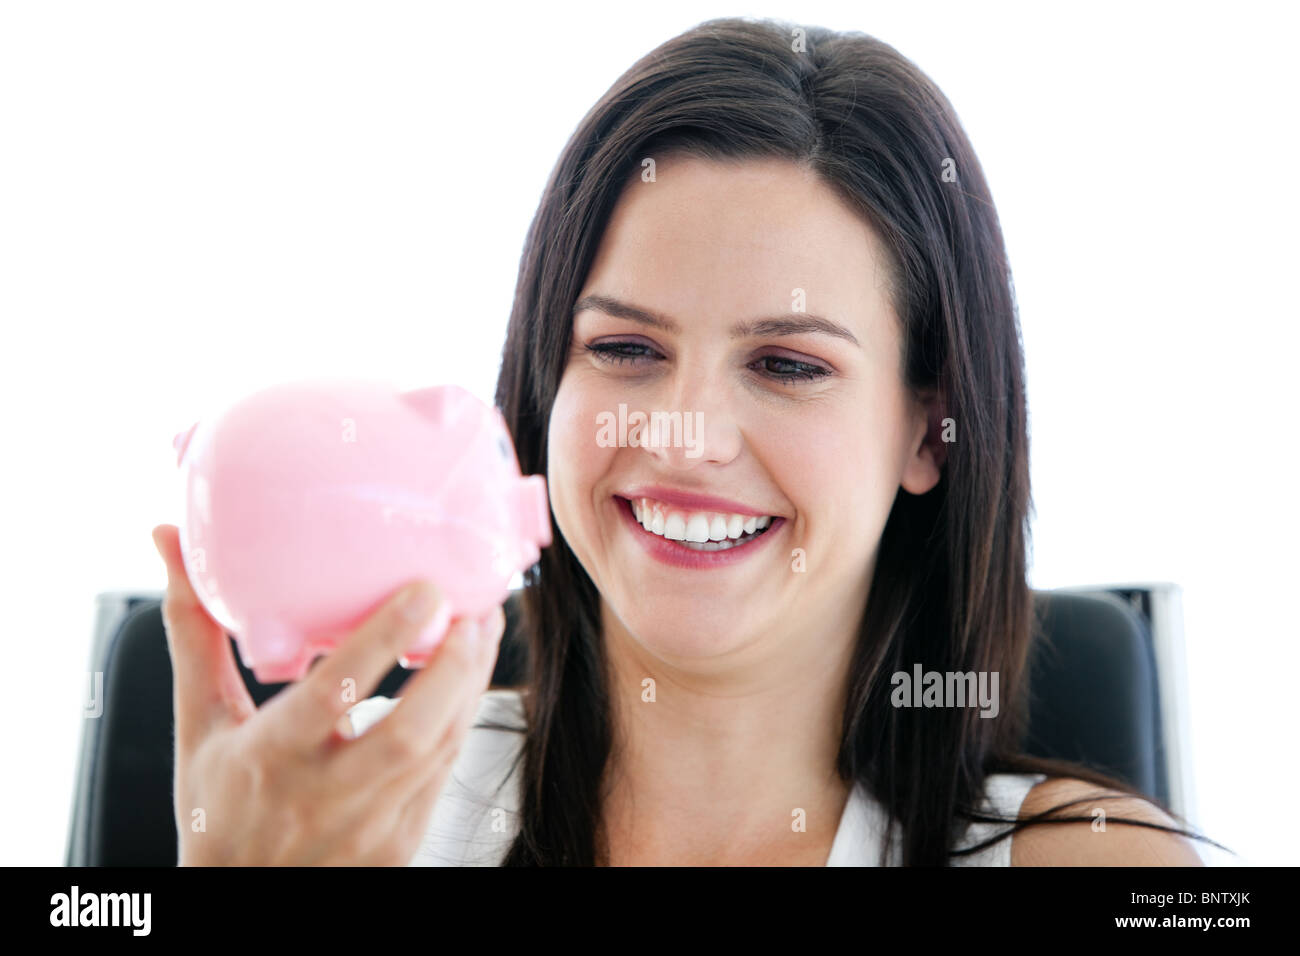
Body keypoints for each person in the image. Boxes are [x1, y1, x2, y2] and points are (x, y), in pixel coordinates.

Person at [153, 16, 1222, 866]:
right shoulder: (337, 811)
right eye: (622, 346)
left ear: (928, 430)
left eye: (788, 364)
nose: (683, 434)